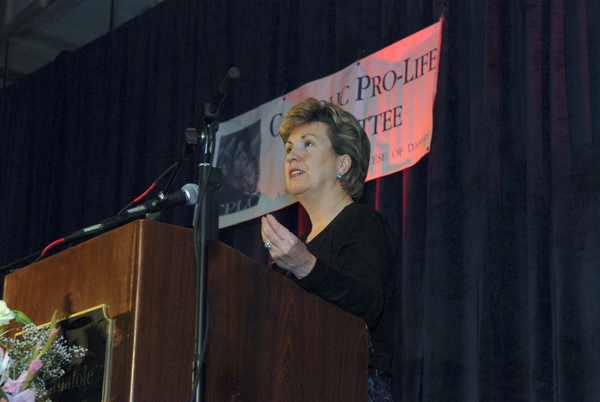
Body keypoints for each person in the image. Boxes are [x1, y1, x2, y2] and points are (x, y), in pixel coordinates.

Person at [261, 98, 396, 402]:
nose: (292, 155)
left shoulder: (361, 223)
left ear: (342, 164)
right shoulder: (293, 251)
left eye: (308, 144)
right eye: (289, 149)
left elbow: (367, 304)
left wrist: (305, 266)